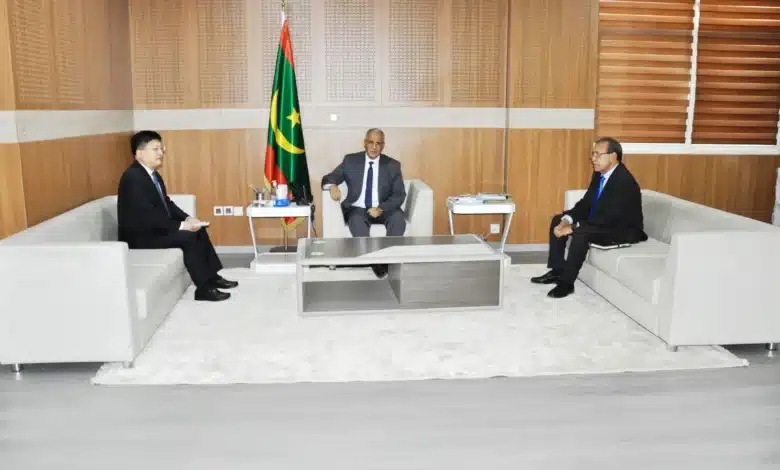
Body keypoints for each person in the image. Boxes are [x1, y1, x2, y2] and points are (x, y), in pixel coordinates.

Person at [117, 130, 238, 302]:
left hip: (154, 230)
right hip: (140, 237)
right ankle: (203, 289)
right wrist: (180, 226)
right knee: (189, 237)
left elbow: (167, 203)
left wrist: (188, 219)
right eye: (155, 149)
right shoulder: (133, 178)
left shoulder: (151, 175)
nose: (161, 153)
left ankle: (212, 277)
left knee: (198, 230)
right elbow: (148, 215)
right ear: (139, 153)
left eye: (161, 149)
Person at [531, 137, 647, 299]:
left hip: (622, 229)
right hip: (604, 223)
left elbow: (609, 217)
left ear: (613, 157)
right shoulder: (600, 174)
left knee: (582, 231)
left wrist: (574, 227)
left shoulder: (624, 181)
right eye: (593, 154)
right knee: (558, 220)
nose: (593, 159)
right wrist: (567, 220)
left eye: (598, 155)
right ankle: (558, 271)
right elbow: (586, 204)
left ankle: (567, 283)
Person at [321, 128, 406, 278]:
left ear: (383, 146)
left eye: (378, 143)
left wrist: (381, 208)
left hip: (384, 208)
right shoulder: (351, 161)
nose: (374, 147)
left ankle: (387, 260)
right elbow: (329, 177)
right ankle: (375, 262)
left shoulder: (392, 165)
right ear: (365, 143)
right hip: (358, 208)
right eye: (371, 142)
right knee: (356, 220)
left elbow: (399, 194)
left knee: (398, 219)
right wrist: (332, 186)